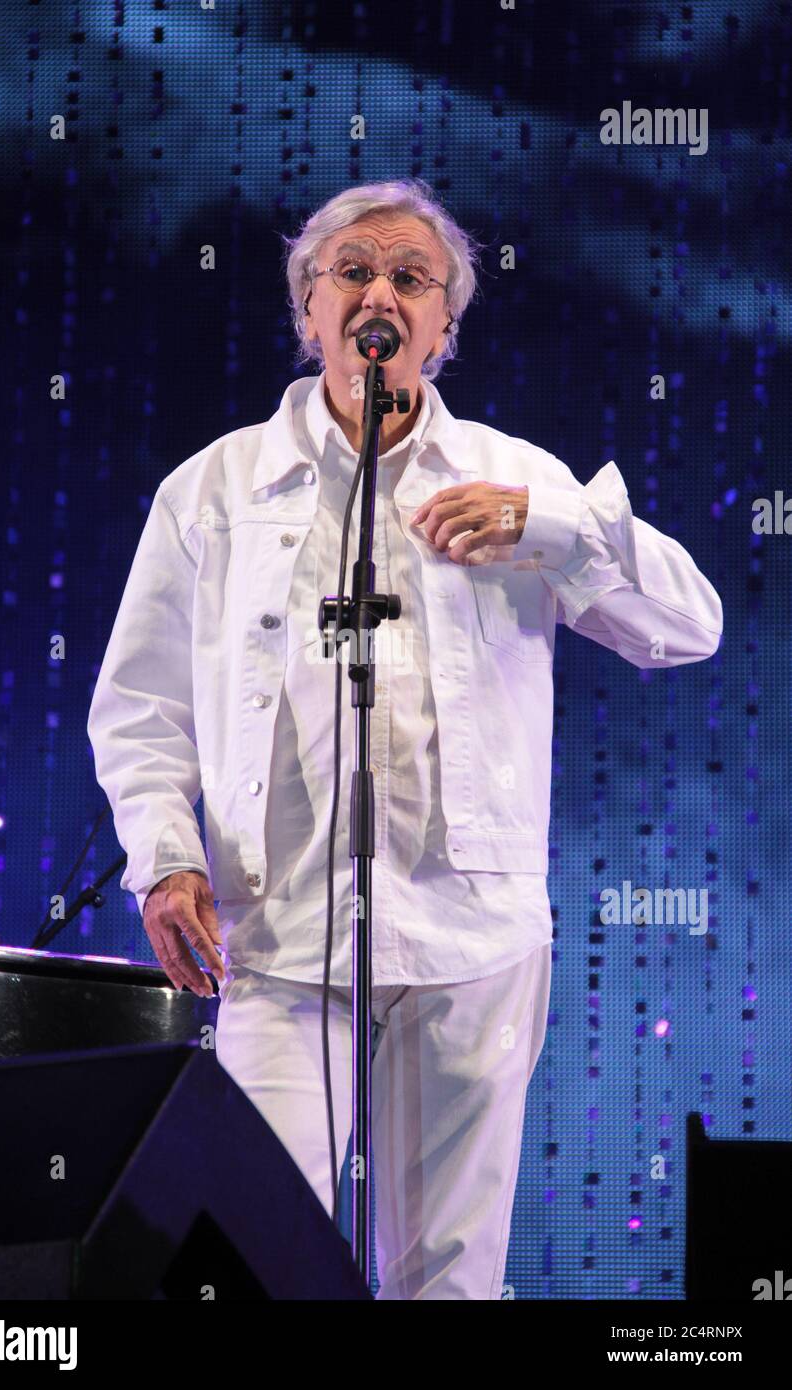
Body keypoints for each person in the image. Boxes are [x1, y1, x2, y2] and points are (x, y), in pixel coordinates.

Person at [87, 178, 723, 1299]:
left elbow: (688, 626)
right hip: (277, 939)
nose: (378, 290)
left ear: (443, 323)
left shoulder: (511, 478)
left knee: (448, 1275)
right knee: (250, 1256)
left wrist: (556, 525)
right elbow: (139, 706)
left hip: (471, 939)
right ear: (306, 306)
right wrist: (164, 857)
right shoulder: (214, 492)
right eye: (353, 270)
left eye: (409, 278)